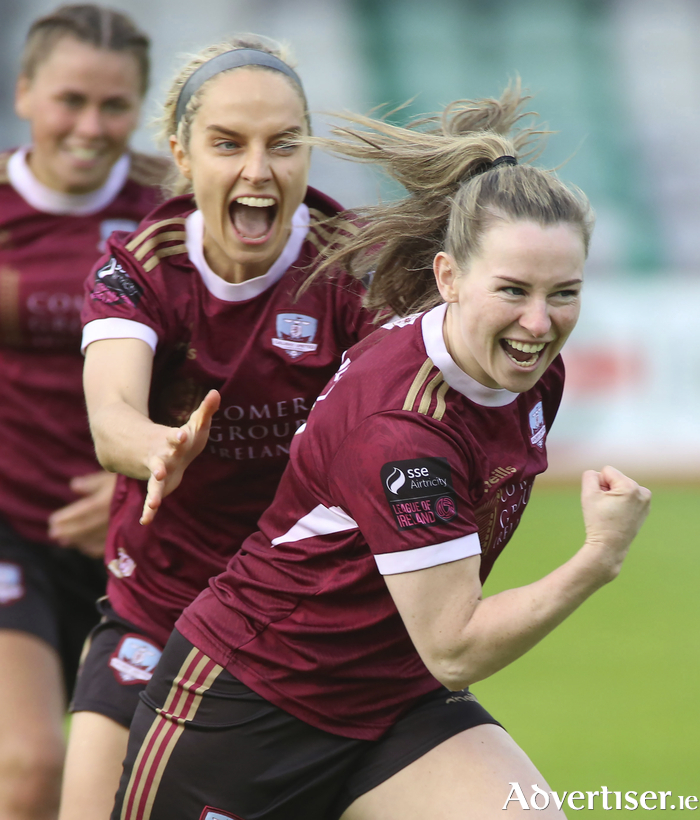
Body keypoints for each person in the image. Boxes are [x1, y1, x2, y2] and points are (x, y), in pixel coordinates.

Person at [111, 87, 651, 820]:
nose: (538, 322)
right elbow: (456, 648)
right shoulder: (403, 430)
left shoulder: (529, 369)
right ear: (448, 279)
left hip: (395, 701)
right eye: (513, 290)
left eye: (565, 293)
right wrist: (598, 559)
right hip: (250, 709)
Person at [61, 35, 376, 820]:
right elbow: (111, 419)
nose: (258, 170)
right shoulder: (139, 267)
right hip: (159, 603)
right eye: (228, 144)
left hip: (301, 631)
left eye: (283, 143)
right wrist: (157, 448)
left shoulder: (356, 271)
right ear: (181, 152)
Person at [0, 5, 166, 820]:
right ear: (25, 92)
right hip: (10, 531)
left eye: (114, 106)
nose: (90, 126)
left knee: (134, 791)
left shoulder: (170, 216)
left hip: (139, 536)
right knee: (27, 765)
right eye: (70, 100)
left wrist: (136, 477)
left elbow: (221, 375)